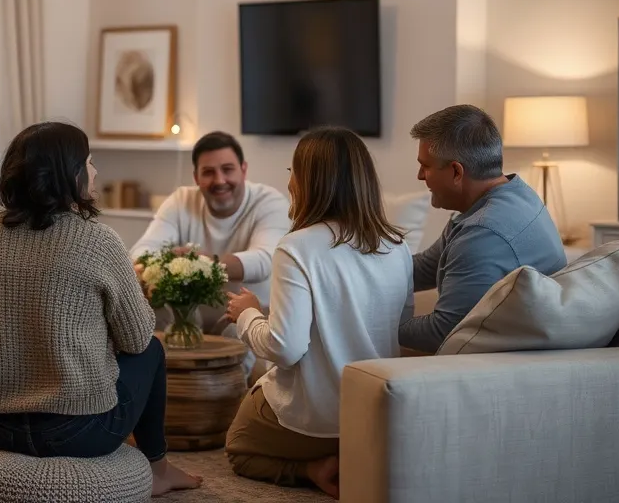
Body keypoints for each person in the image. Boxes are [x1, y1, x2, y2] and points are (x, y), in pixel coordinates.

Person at [0, 121, 200, 497]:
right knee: (153, 349)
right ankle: (158, 467)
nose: (96, 171)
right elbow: (135, 339)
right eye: (89, 161)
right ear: (70, 173)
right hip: (80, 434)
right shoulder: (99, 240)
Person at [223, 127, 414, 498]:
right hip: (377, 416)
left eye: (293, 171)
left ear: (311, 181)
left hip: (317, 419)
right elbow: (400, 330)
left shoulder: (296, 247)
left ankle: (314, 468)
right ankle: (347, 457)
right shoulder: (398, 245)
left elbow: (284, 349)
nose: (290, 181)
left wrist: (247, 315)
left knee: (238, 446)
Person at [400, 105, 567, 353]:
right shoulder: (513, 193)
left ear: (456, 171)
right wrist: (356, 271)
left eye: (425, 166)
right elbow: (425, 268)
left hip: (502, 364)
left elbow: (443, 332)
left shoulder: (483, 233)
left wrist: (365, 321)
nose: (420, 176)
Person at [130, 131, 292, 335]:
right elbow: (141, 251)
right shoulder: (181, 200)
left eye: (227, 169)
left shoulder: (270, 202)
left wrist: (200, 266)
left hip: (246, 325)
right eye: (208, 172)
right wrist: (171, 264)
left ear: (243, 170)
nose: (220, 180)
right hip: (187, 322)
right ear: (196, 177)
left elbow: (265, 259)